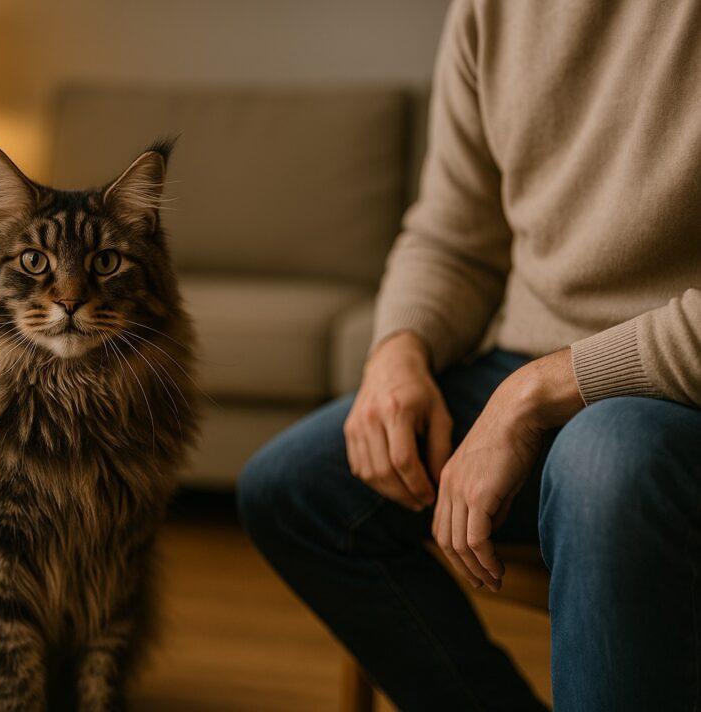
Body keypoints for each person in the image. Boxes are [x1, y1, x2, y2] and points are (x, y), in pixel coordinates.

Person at [236, 1, 701, 710]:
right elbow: (453, 239)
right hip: (531, 368)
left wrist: (532, 394)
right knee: (293, 489)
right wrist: (397, 352)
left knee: (604, 465)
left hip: (674, 392)